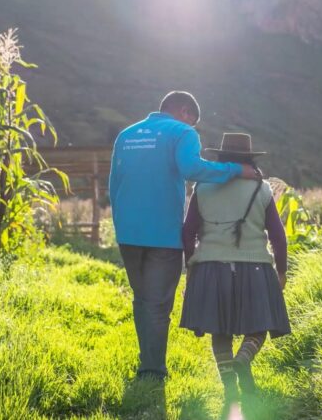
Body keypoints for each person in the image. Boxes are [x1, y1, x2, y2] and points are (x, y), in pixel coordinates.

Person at [108, 91, 259, 381]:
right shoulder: (182, 132)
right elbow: (192, 168)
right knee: (159, 303)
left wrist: (122, 225)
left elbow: (114, 186)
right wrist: (236, 170)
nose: (194, 126)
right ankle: (152, 371)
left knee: (141, 300)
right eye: (194, 120)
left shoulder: (126, 135)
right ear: (185, 112)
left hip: (128, 232)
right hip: (162, 233)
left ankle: (147, 362)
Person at [179, 133, 291, 402]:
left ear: (221, 159)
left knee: (220, 330)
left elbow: (188, 231)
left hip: (210, 266)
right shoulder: (261, 189)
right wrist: (282, 270)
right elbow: (278, 235)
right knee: (259, 324)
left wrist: (192, 264)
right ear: (249, 160)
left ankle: (229, 386)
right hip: (254, 266)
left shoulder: (202, 187)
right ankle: (244, 358)